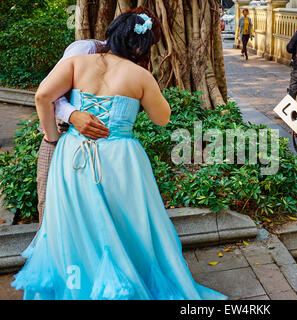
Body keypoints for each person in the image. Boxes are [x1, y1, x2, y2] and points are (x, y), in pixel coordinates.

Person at [11, 10, 227, 300]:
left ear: (113, 33)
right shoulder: (141, 76)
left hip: (72, 155)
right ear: (141, 46)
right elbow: (162, 118)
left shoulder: (77, 62)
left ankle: (80, 285)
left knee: (77, 223)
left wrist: (53, 138)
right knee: (127, 225)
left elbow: (42, 97)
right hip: (121, 160)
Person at [35, 8, 159, 228]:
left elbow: (44, 94)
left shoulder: (132, 69)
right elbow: (49, 94)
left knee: (90, 215)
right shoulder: (84, 50)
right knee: (50, 205)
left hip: (74, 146)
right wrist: (71, 117)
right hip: (62, 132)